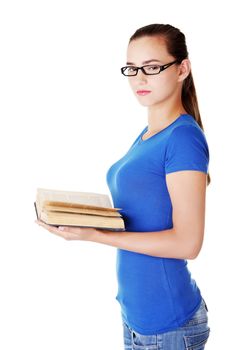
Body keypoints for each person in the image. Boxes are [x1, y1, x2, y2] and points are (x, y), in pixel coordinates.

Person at [36, 23, 211, 350]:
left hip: (167, 324)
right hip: (139, 316)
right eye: (132, 68)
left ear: (182, 69)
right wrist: (86, 220)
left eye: (152, 67)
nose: (139, 78)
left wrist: (97, 236)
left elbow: (188, 243)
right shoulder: (147, 137)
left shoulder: (182, 138)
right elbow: (145, 212)